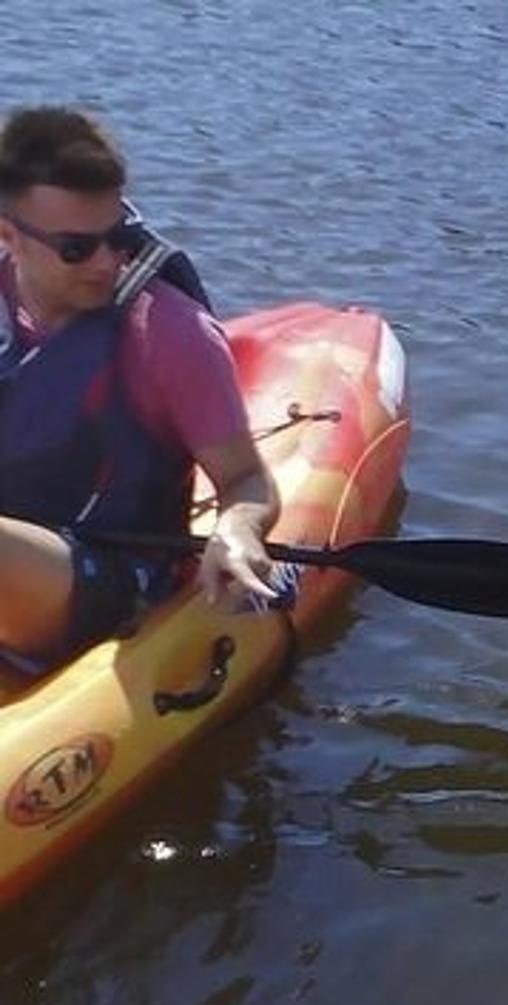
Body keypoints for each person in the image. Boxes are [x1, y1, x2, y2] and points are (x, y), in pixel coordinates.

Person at [0, 105, 278, 670]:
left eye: (120, 235)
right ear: (9, 236)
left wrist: (238, 529)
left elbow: (246, 478)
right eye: (77, 248)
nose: (107, 261)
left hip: (112, 575)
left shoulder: (173, 334)